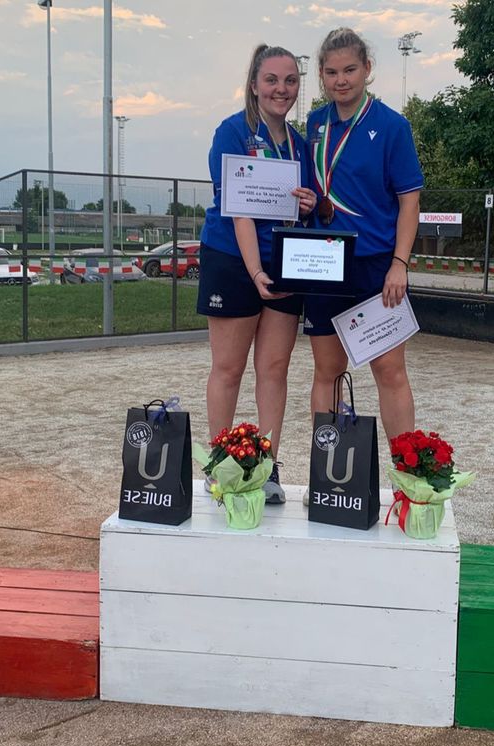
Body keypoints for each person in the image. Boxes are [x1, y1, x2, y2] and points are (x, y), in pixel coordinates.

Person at [197, 44, 317, 504]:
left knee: (274, 369)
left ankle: (266, 466)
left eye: (290, 80)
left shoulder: (299, 144)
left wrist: (309, 205)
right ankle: (221, 464)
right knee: (228, 368)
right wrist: (255, 271)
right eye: (271, 80)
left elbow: (304, 208)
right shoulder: (232, 132)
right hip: (233, 259)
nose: (281, 89)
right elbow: (240, 210)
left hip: (284, 261)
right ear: (253, 84)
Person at [304, 28, 423, 449]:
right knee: (327, 372)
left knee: (389, 372)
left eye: (350, 70)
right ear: (321, 75)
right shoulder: (315, 123)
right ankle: (328, 467)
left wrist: (399, 264)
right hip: (324, 263)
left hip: (375, 266)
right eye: (332, 72)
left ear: (367, 68)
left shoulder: (392, 126)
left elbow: (410, 201)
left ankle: (409, 473)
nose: (341, 80)